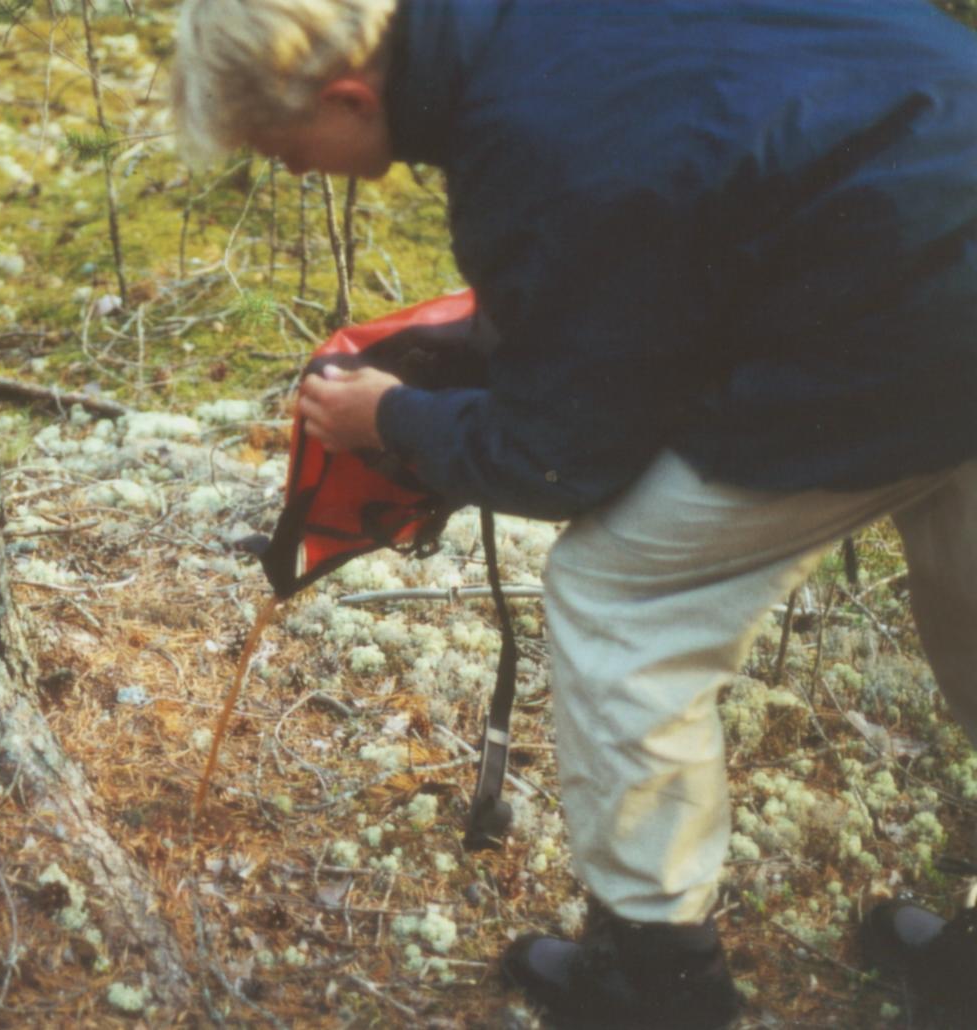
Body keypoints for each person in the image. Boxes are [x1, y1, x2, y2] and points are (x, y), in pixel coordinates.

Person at [172, 1, 977, 1026]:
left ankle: (654, 986)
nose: (291, 171)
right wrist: (493, 339)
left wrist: (397, 419)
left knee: (618, 597)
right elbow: (690, 195)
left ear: (344, 94)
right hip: (929, 206)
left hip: (915, 318)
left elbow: (560, 460)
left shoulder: (524, 140)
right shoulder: (531, 36)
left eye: (284, 147)